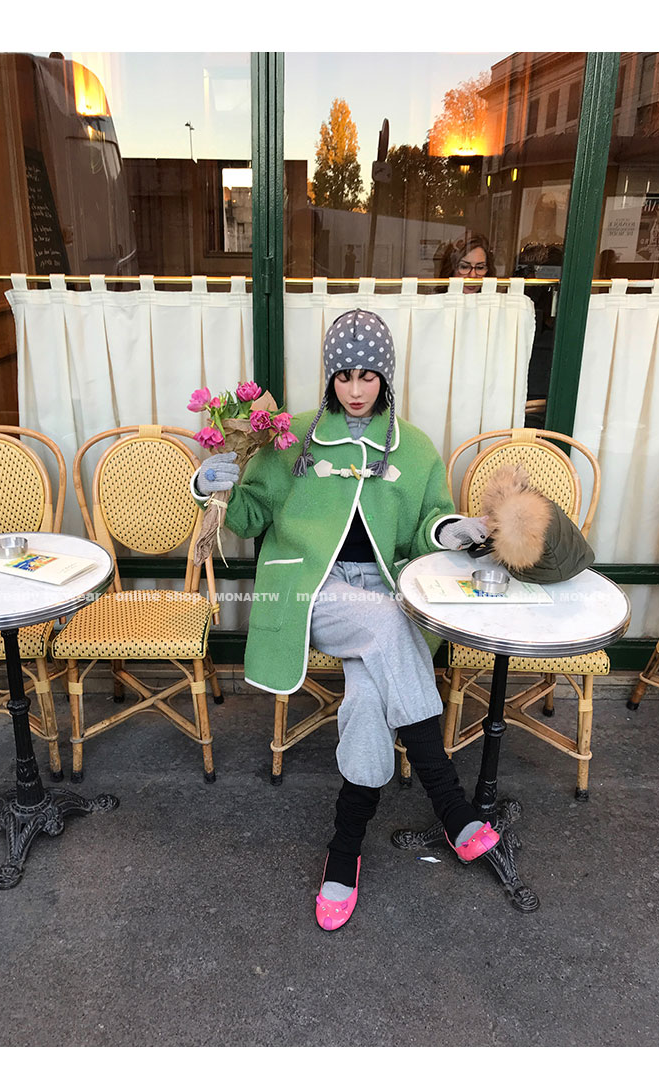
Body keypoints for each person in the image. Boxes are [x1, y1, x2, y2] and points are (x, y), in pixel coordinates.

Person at [191, 309, 499, 931]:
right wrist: (211, 486)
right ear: (329, 377)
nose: (355, 390)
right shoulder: (292, 439)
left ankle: (344, 849)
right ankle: (450, 802)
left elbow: (429, 520)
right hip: (314, 591)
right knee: (386, 627)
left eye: (368, 376)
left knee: (365, 697)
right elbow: (249, 518)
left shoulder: (414, 446)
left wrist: (453, 530)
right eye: (343, 376)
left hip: (387, 588)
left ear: (385, 377)